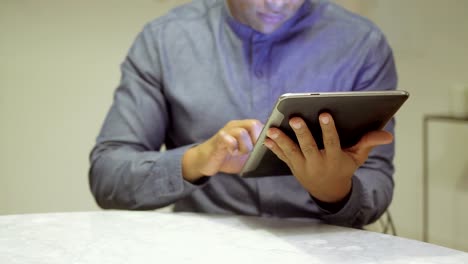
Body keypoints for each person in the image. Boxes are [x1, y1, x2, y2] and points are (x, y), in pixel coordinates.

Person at [89, 0, 397, 228]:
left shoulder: (362, 45)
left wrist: (333, 190)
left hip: (326, 249)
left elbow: (377, 180)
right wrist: (197, 160)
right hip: (206, 247)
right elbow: (107, 177)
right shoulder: (165, 40)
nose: (276, 3)